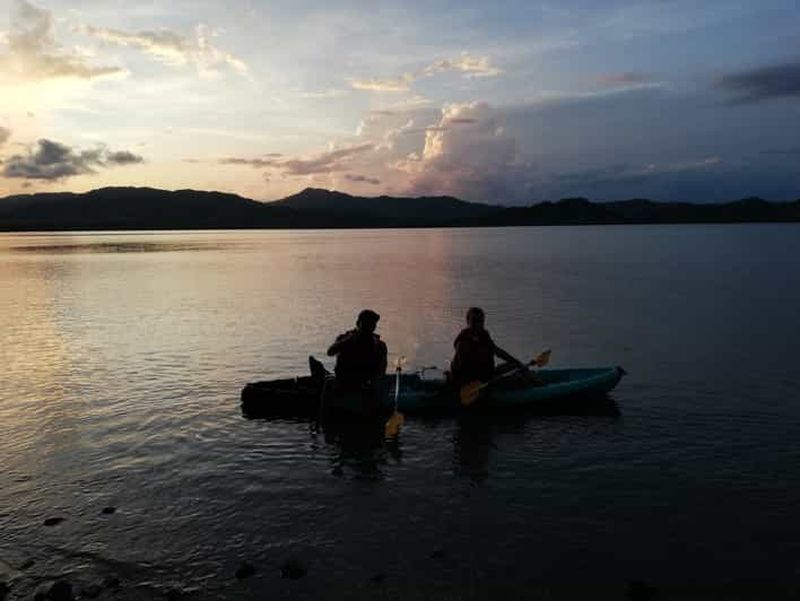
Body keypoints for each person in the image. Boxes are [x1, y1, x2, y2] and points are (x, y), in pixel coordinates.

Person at [449, 307, 527, 387]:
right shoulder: (463, 343)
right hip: (475, 382)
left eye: (480, 321)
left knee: (516, 367)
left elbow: (498, 352)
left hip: (487, 375)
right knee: (518, 379)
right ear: (468, 321)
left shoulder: (484, 336)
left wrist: (518, 363)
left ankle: (537, 383)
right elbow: (463, 370)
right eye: (474, 321)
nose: (478, 324)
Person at [326, 309, 388, 391]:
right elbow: (330, 352)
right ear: (359, 323)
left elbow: (381, 371)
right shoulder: (346, 339)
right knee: (328, 383)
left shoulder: (379, 345)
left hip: (364, 383)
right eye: (367, 324)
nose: (371, 327)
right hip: (345, 381)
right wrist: (349, 339)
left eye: (372, 324)